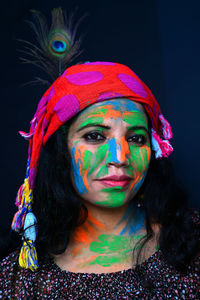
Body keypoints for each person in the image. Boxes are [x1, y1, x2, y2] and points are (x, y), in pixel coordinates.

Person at [0, 9, 199, 299]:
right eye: (95, 136)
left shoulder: (192, 242)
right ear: (60, 151)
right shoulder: (18, 277)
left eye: (136, 138)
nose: (120, 157)